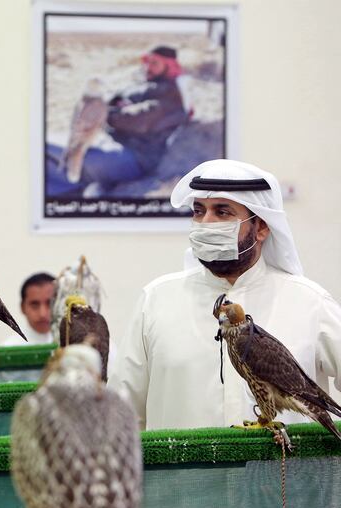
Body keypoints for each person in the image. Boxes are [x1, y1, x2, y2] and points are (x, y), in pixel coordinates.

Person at [108, 159, 341, 430]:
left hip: (285, 474)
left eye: (222, 212)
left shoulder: (310, 303)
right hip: (183, 475)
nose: (206, 223)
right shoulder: (156, 301)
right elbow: (119, 417)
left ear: (262, 227)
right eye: (198, 211)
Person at [79, 45, 189, 198]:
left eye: (154, 63)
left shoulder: (169, 93)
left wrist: (106, 112)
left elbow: (133, 120)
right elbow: (114, 101)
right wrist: (117, 106)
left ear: (169, 66)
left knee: (76, 157)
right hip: (114, 144)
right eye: (147, 62)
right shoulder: (145, 85)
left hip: (136, 157)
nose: (147, 67)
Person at [1, 273, 55, 346]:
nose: (42, 314)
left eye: (50, 304)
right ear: (23, 307)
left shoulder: (72, 345)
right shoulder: (8, 350)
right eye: (34, 305)